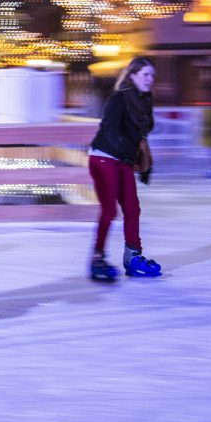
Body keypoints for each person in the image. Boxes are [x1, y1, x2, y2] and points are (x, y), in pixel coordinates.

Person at [87, 56, 162, 281]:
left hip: (123, 160)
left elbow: (140, 136)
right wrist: (125, 151)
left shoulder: (145, 101)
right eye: (145, 75)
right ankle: (97, 258)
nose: (150, 79)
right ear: (132, 76)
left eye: (152, 76)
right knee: (110, 210)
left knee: (132, 208)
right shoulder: (118, 99)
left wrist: (144, 161)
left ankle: (133, 257)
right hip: (103, 158)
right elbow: (108, 129)